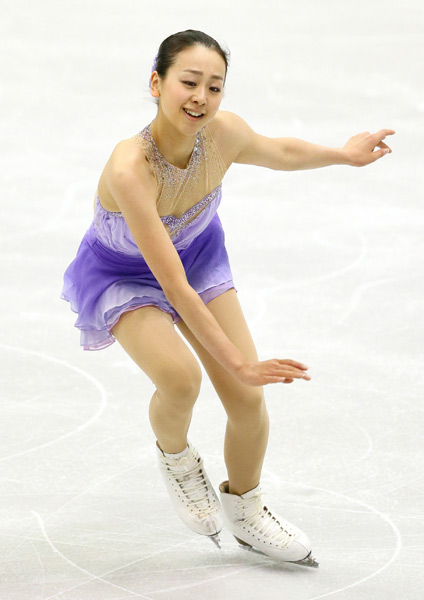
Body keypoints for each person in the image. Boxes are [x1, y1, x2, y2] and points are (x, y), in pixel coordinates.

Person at [62, 29, 394, 567]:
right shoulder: (130, 168)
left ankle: (245, 506)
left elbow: (279, 150)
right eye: (189, 82)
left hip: (197, 256)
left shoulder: (222, 134)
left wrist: (343, 154)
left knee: (247, 401)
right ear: (157, 83)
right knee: (181, 379)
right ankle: (176, 458)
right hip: (128, 274)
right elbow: (170, 287)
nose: (202, 97)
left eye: (214, 87)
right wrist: (240, 361)